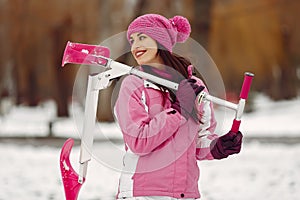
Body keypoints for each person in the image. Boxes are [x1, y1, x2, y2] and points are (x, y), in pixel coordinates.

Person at [114, 14, 243, 200]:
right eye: (132, 40)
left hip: (185, 193)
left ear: (160, 41)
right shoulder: (133, 84)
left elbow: (198, 142)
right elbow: (138, 142)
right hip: (143, 194)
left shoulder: (193, 86)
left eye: (142, 37)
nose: (135, 46)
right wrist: (179, 111)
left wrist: (218, 146)